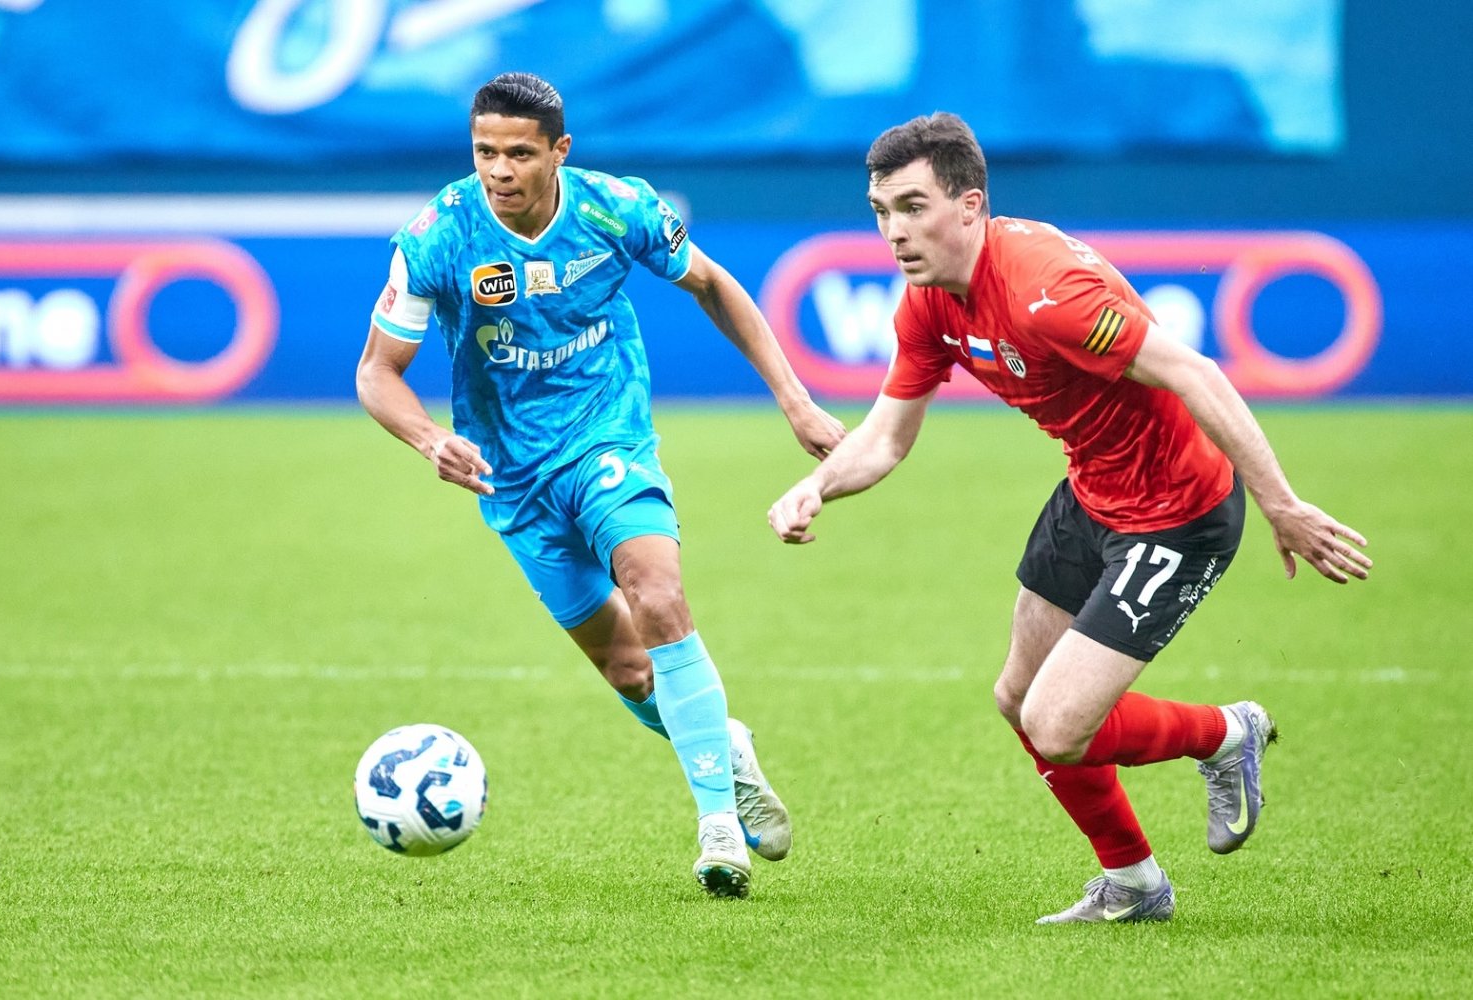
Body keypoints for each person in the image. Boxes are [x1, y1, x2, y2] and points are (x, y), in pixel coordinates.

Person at [767, 112, 1372, 923]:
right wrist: (818, 487)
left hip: (1178, 512)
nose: (893, 232)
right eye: (880, 211)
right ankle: (1134, 884)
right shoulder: (928, 305)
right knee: (1017, 697)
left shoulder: (1045, 292)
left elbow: (1195, 372)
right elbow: (885, 437)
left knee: (1055, 726)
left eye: (912, 207)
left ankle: (1227, 734)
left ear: (970, 206)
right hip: (1091, 493)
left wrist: (1282, 505)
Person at [357, 72, 844, 898]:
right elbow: (377, 373)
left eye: (519, 153)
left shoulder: (616, 209)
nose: (499, 171)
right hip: (510, 480)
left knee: (656, 590)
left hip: (607, 439)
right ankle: (723, 748)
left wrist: (794, 400)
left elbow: (712, 283)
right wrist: (430, 438)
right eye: (484, 152)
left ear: (560, 151)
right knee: (629, 671)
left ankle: (717, 826)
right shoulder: (438, 236)